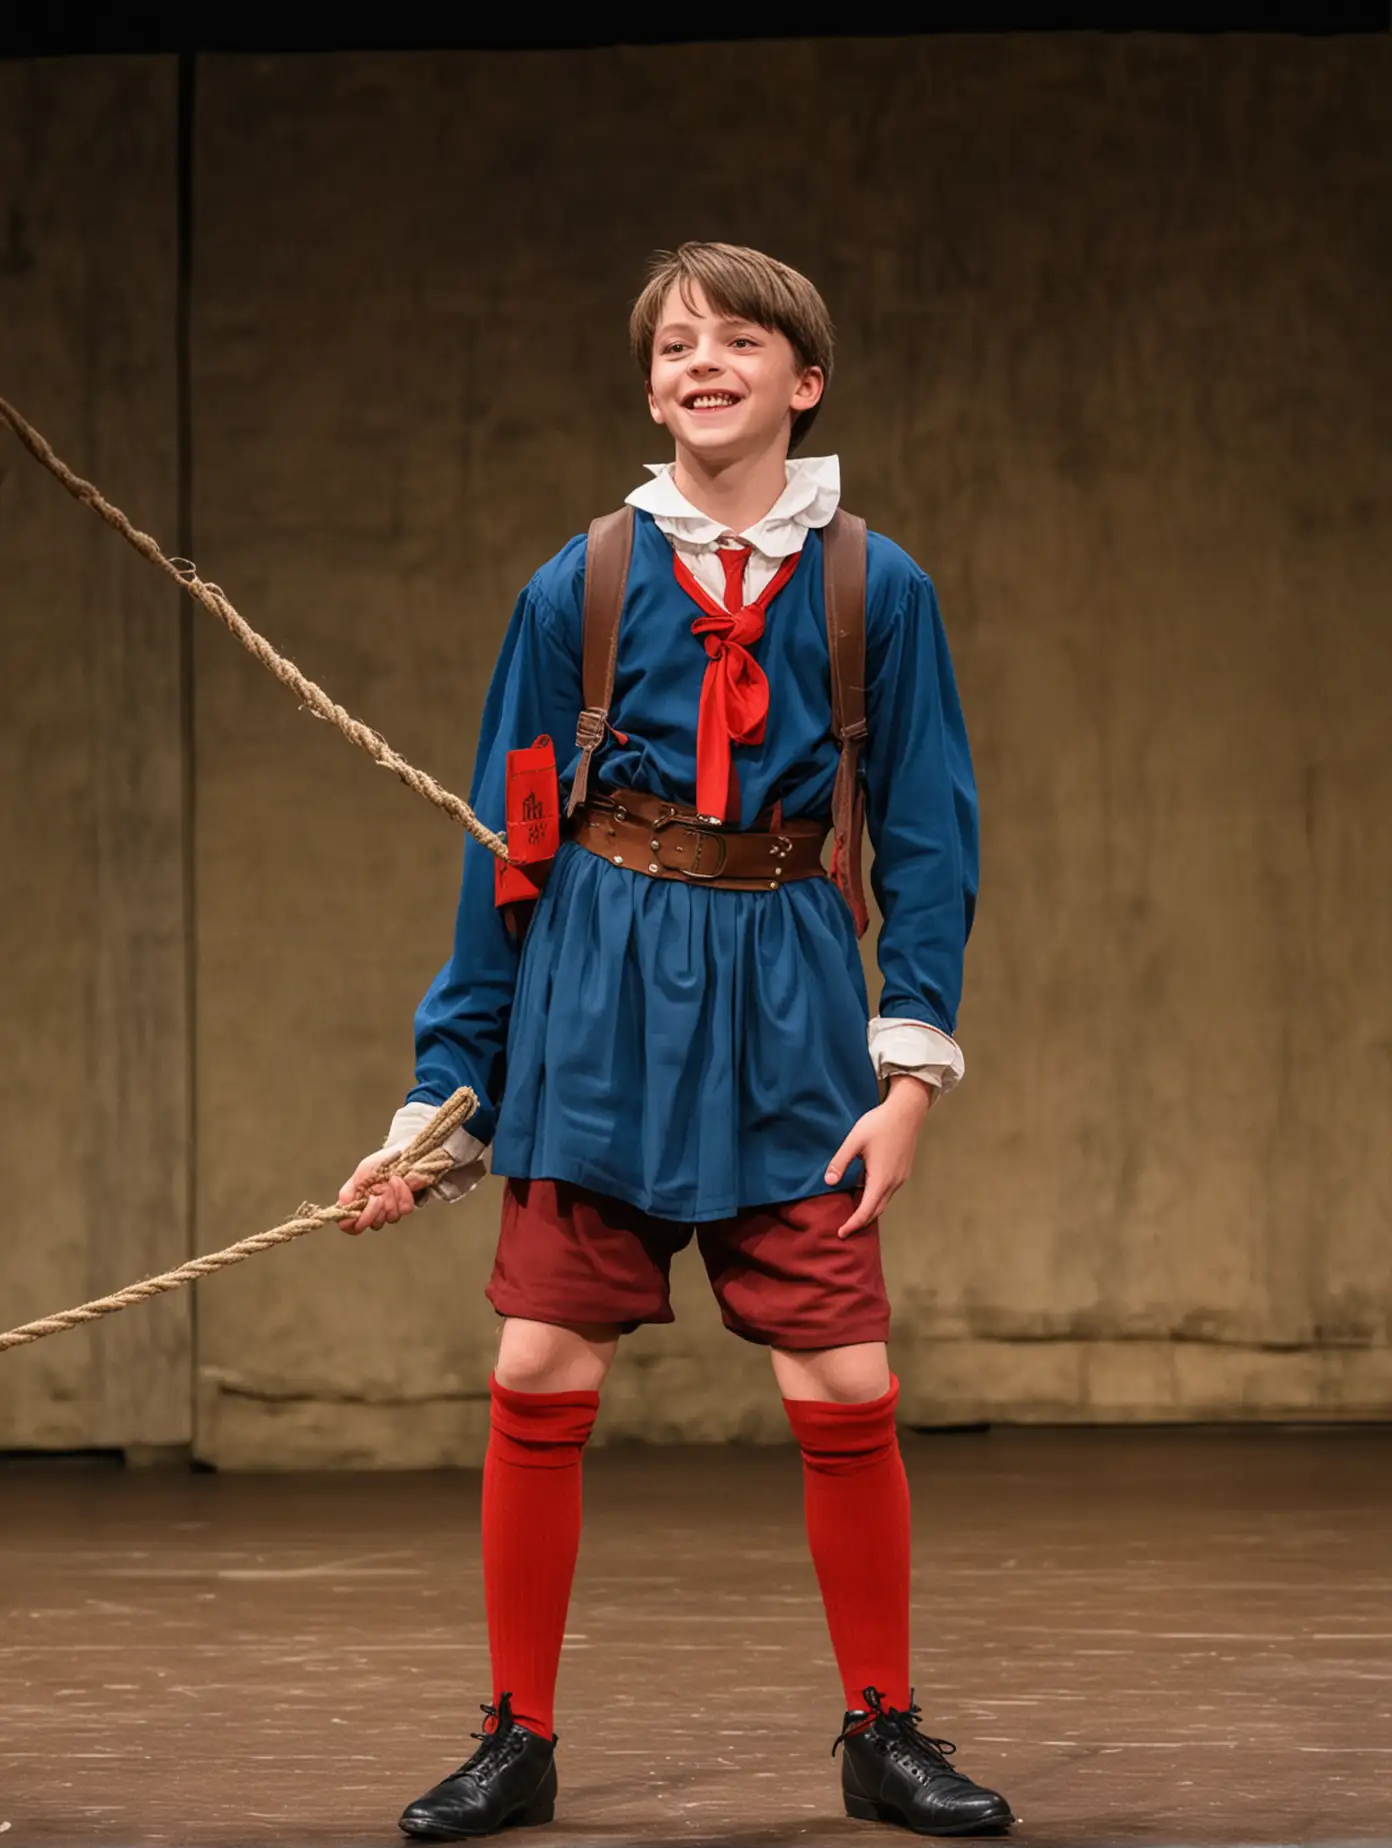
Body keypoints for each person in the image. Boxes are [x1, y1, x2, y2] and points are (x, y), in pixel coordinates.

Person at [338, 241, 1012, 1839]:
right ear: (650, 387)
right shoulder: (577, 583)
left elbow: (927, 831)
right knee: (539, 1360)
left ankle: (880, 1728)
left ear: (806, 378)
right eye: (673, 346)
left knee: (846, 1378)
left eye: (738, 339)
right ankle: (515, 1733)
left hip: (788, 999)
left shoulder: (871, 584)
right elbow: (508, 842)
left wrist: (910, 1073)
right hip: (600, 995)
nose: (700, 362)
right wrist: (447, 1087)